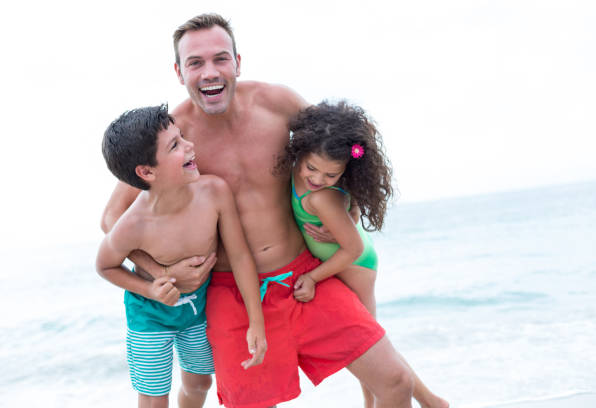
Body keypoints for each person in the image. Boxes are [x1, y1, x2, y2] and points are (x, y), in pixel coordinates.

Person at [101, 13, 418, 408]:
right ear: (179, 72)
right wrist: (160, 271)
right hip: (231, 294)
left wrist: (349, 208)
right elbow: (113, 219)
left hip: (305, 277)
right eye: (195, 63)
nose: (210, 72)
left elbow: (339, 143)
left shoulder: (278, 102)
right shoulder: (173, 136)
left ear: (238, 62)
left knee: (395, 381)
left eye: (220, 58)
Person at [276, 100, 449, 408]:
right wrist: (350, 211)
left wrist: (313, 277)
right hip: (347, 257)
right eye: (311, 168)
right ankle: (429, 402)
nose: (316, 179)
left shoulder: (321, 198)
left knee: (367, 346)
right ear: (299, 151)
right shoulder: (298, 174)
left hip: (356, 264)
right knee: (369, 345)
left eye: (331, 175)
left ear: (344, 172)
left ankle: (427, 402)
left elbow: (352, 247)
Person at [96, 104, 266, 408]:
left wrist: (257, 322)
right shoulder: (134, 223)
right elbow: (105, 265)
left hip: (197, 309)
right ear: (147, 171)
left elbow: (240, 257)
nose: (190, 146)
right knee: (153, 397)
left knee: (200, 381)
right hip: (149, 315)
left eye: (182, 136)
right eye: (176, 145)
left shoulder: (214, 192)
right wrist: (150, 288)